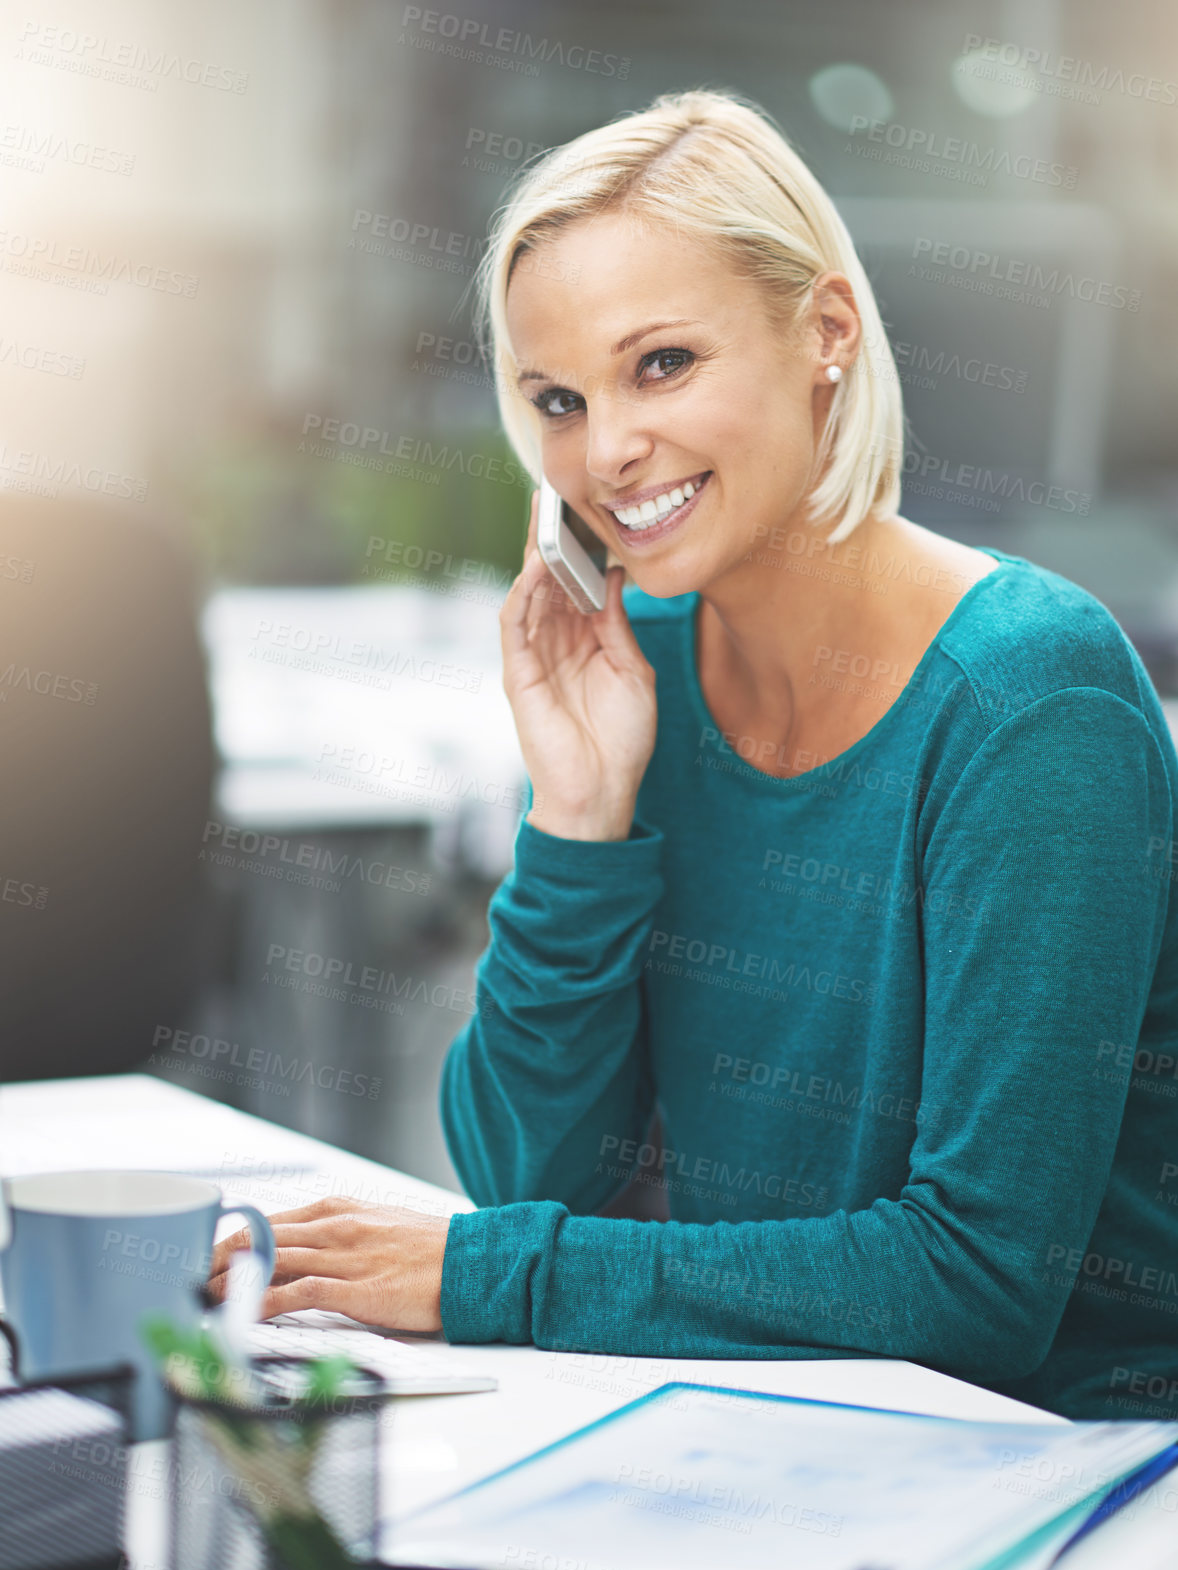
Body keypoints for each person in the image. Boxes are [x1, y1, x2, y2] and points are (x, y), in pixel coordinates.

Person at [210, 88, 1178, 1422]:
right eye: (557, 397)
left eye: (659, 362)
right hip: (786, 1419)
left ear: (823, 333)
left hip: (1064, 1456)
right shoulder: (644, 665)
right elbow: (526, 1176)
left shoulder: (1029, 697)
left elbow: (979, 1279)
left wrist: (491, 1273)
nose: (605, 450)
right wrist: (575, 814)